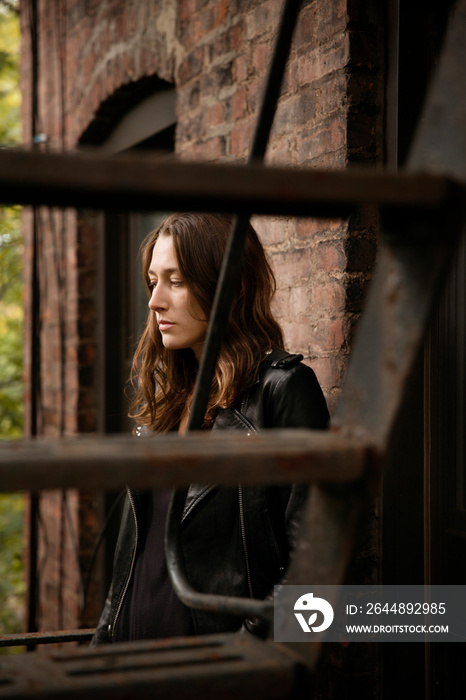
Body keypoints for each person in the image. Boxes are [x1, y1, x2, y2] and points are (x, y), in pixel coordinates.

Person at [91, 212, 329, 645]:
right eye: (152, 281)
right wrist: (101, 645)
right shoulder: (167, 404)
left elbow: (313, 561)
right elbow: (134, 557)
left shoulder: (280, 391)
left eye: (175, 281)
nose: (154, 300)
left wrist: (246, 647)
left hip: (211, 665)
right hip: (132, 655)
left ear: (231, 287)